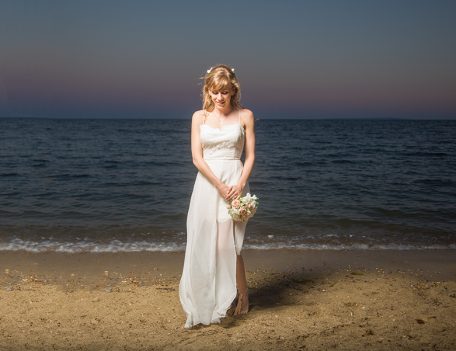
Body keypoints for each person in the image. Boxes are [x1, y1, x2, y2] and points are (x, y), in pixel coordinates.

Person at [179, 64, 256, 328]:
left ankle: (241, 296)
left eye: (224, 92)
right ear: (208, 91)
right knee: (204, 242)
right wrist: (219, 186)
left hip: (234, 182)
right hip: (208, 184)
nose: (220, 98)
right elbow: (196, 158)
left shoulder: (245, 115)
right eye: (215, 92)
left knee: (228, 245)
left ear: (233, 90)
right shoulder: (198, 117)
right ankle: (210, 299)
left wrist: (239, 184)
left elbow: (250, 156)